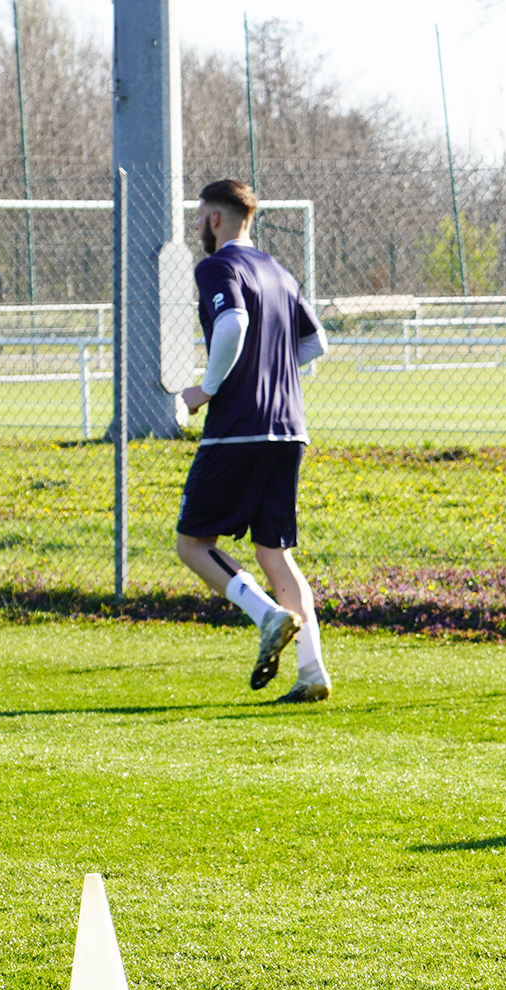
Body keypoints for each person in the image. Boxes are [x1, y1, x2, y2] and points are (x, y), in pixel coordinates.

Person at [175, 178, 333, 703]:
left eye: (200, 216)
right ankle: (311, 673)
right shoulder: (278, 271)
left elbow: (233, 322)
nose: (199, 225)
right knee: (275, 554)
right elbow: (315, 344)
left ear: (214, 218)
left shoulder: (217, 266)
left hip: (239, 427)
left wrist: (207, 388)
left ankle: (268, 616)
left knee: (194, 544)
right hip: (290, 428)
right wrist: (273, 369)